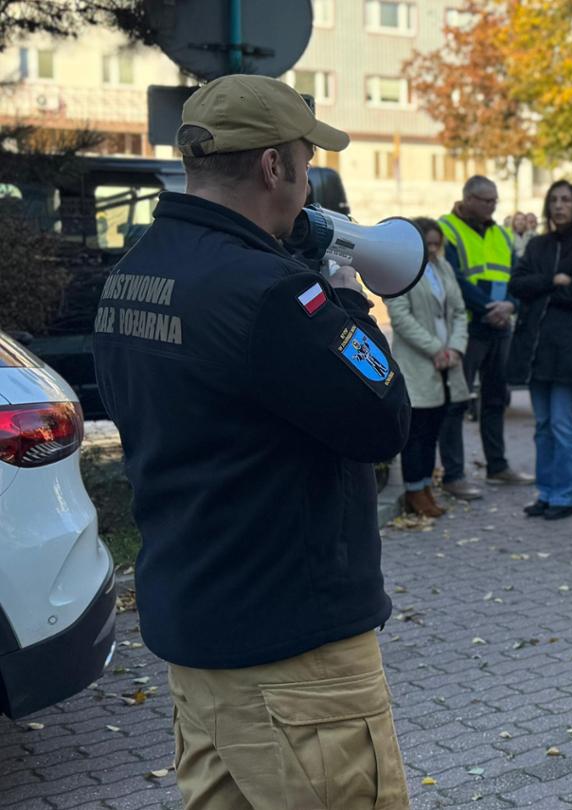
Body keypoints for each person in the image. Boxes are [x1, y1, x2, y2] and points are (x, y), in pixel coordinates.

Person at [91, 74, 410, 809]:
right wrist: (340, 301)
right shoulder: (274, 295)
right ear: (274, 166)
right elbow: (383, 416)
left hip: (198, 636)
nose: (307, 181)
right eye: (304, 158)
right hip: (297, 659)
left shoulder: (132, 276)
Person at [506, 181, 572, 521]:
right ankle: (545, 493)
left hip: (569, 351)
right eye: (554, 200)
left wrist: (544, 288)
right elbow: (517, 284)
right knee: (543, 426)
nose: (560, 206)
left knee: (562, 424)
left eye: (566, 200)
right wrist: (552, 281)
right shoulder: (538, 245)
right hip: (535, 349)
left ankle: (566, 496)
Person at [439, 176, 534, 494]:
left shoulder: (503, 235)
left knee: (495, 400)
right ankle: (453, 476)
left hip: (499, 327)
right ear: (466, 199)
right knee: (456, 402)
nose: (492, 205)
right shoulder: (446, 229)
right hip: (466, 328)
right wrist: (488, 309)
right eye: (485, 200)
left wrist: (510, 305)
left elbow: (519, 278)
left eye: (495, 200)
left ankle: (498, 466)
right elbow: (452, 277)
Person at [390, 219, 473, 518]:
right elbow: (400, 318)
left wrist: (455, 348)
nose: (434, 250)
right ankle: (415, 490)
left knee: (435, 428)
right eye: (429, 244)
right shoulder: (400, 270)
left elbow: (460, 312)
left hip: (447, 362)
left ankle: (426, 486)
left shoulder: (443, 268)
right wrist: (436, 348)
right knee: (417, 432)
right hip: (418, 362)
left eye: (438, 244)